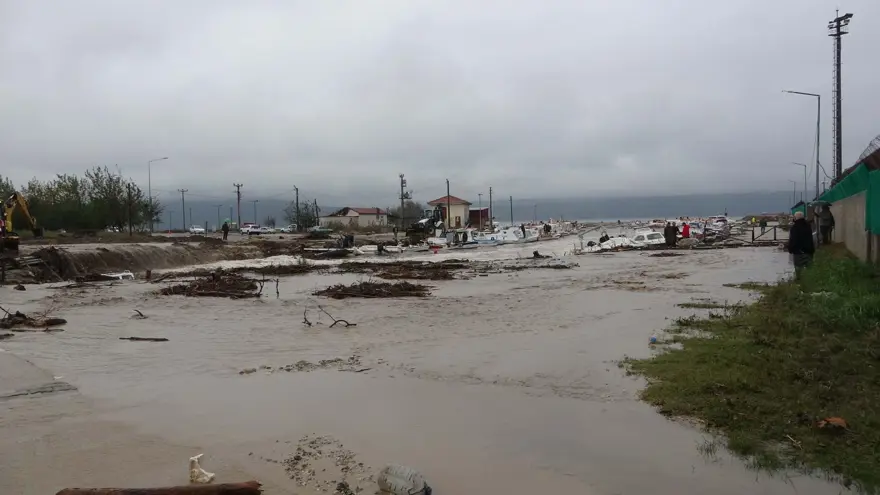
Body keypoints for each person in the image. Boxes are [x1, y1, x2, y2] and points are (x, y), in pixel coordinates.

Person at [787, 211, 815, 278]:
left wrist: (790, 249)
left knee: (798, 269)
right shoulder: (808, 226)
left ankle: (799, 282)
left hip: (798, 252)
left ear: (795, 218)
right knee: (810, 268)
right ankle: (810, 281)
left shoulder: (794, 227)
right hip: (808, 251)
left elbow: (793, 240)